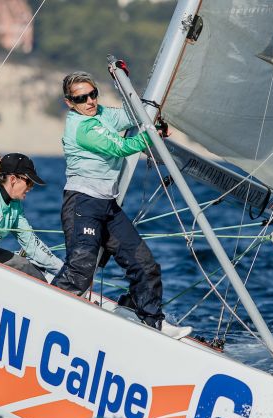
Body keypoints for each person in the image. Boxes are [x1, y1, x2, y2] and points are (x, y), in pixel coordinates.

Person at [50, 71, 190, 339]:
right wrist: (155, 133)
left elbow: (131, 116)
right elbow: (123, 147)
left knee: (145, 265)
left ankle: (149, 320)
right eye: (81, 98)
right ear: (70, 102)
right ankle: (47, 311)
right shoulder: (81, 127)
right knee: (81, 269)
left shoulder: (101, 113)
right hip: (83, 203)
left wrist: (155, 112)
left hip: (107, 206)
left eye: (93, 94)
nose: (90, 101)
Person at [0, 151, 63, 281]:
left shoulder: (15, 205)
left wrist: (63, 270)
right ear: (13, 179)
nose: (30, 188)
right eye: (29, 182)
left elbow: (32, 243)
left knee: (26, 267)